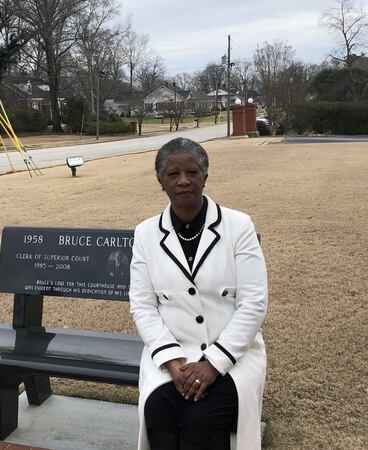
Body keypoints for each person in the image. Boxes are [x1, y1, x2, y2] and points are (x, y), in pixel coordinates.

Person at [129, 137, 268, 450]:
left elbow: (253, 304)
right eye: (173, 174)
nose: (183, 181)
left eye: (192, 172)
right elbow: (142, 307)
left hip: (233, 357)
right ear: (160, 181)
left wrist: (212, 364)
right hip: (172, 355)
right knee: (159, 410)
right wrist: (174, 364)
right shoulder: (146, 234)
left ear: (205, 176)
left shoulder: (238, 226)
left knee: (201, 419)